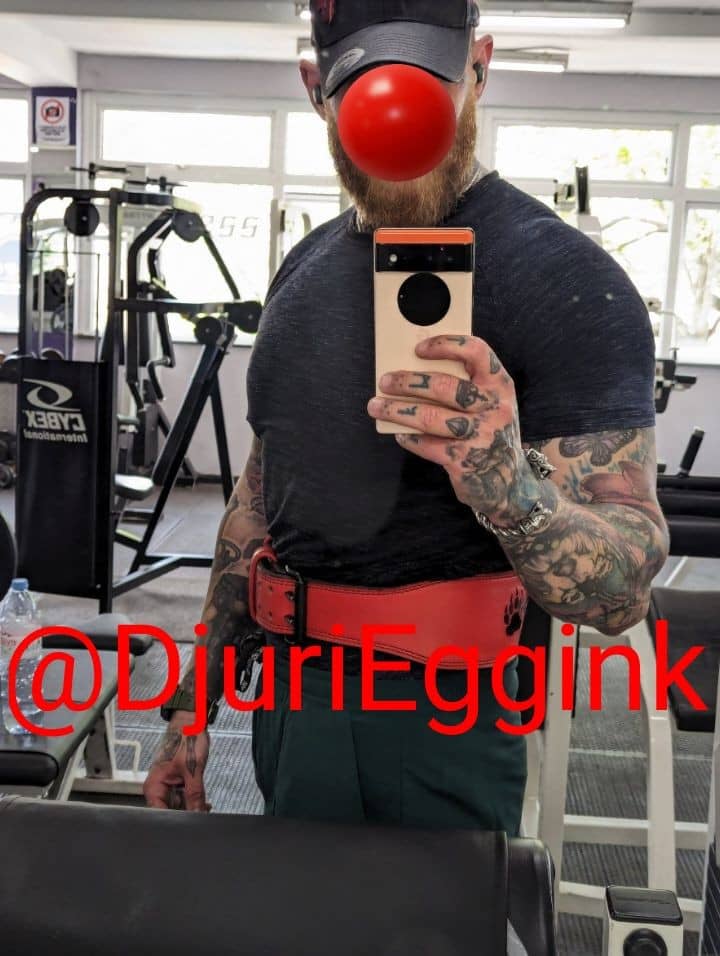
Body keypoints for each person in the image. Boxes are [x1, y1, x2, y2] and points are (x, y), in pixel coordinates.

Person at [144, 0, 668, 843]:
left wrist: (508, 486)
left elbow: (622, 591)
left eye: (427, 79)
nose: (399, 119)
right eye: (368, 87)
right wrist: (193, 699)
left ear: (479, 68)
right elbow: (257, 499)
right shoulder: (303, 267)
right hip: (290, 699)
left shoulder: (568, 282)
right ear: (316, 87)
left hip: (439, 712)